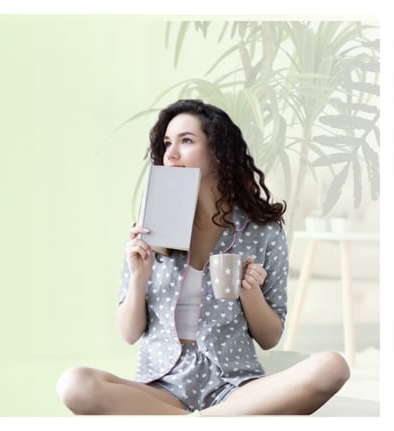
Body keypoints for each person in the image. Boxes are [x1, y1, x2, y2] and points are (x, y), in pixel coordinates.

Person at [56, 99, 350, 415]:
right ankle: (210, 422)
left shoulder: (262, 230)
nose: (171, 153)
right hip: (161, 388)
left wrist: (249, 293)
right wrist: (138, 277)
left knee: (332, 367)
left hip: (236, 386)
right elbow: (129, 334)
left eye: (186, 141)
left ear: (218, 151)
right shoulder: (151, 226)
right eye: (167, 143)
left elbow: (270, 337)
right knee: (74, 384)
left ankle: (192, 422)